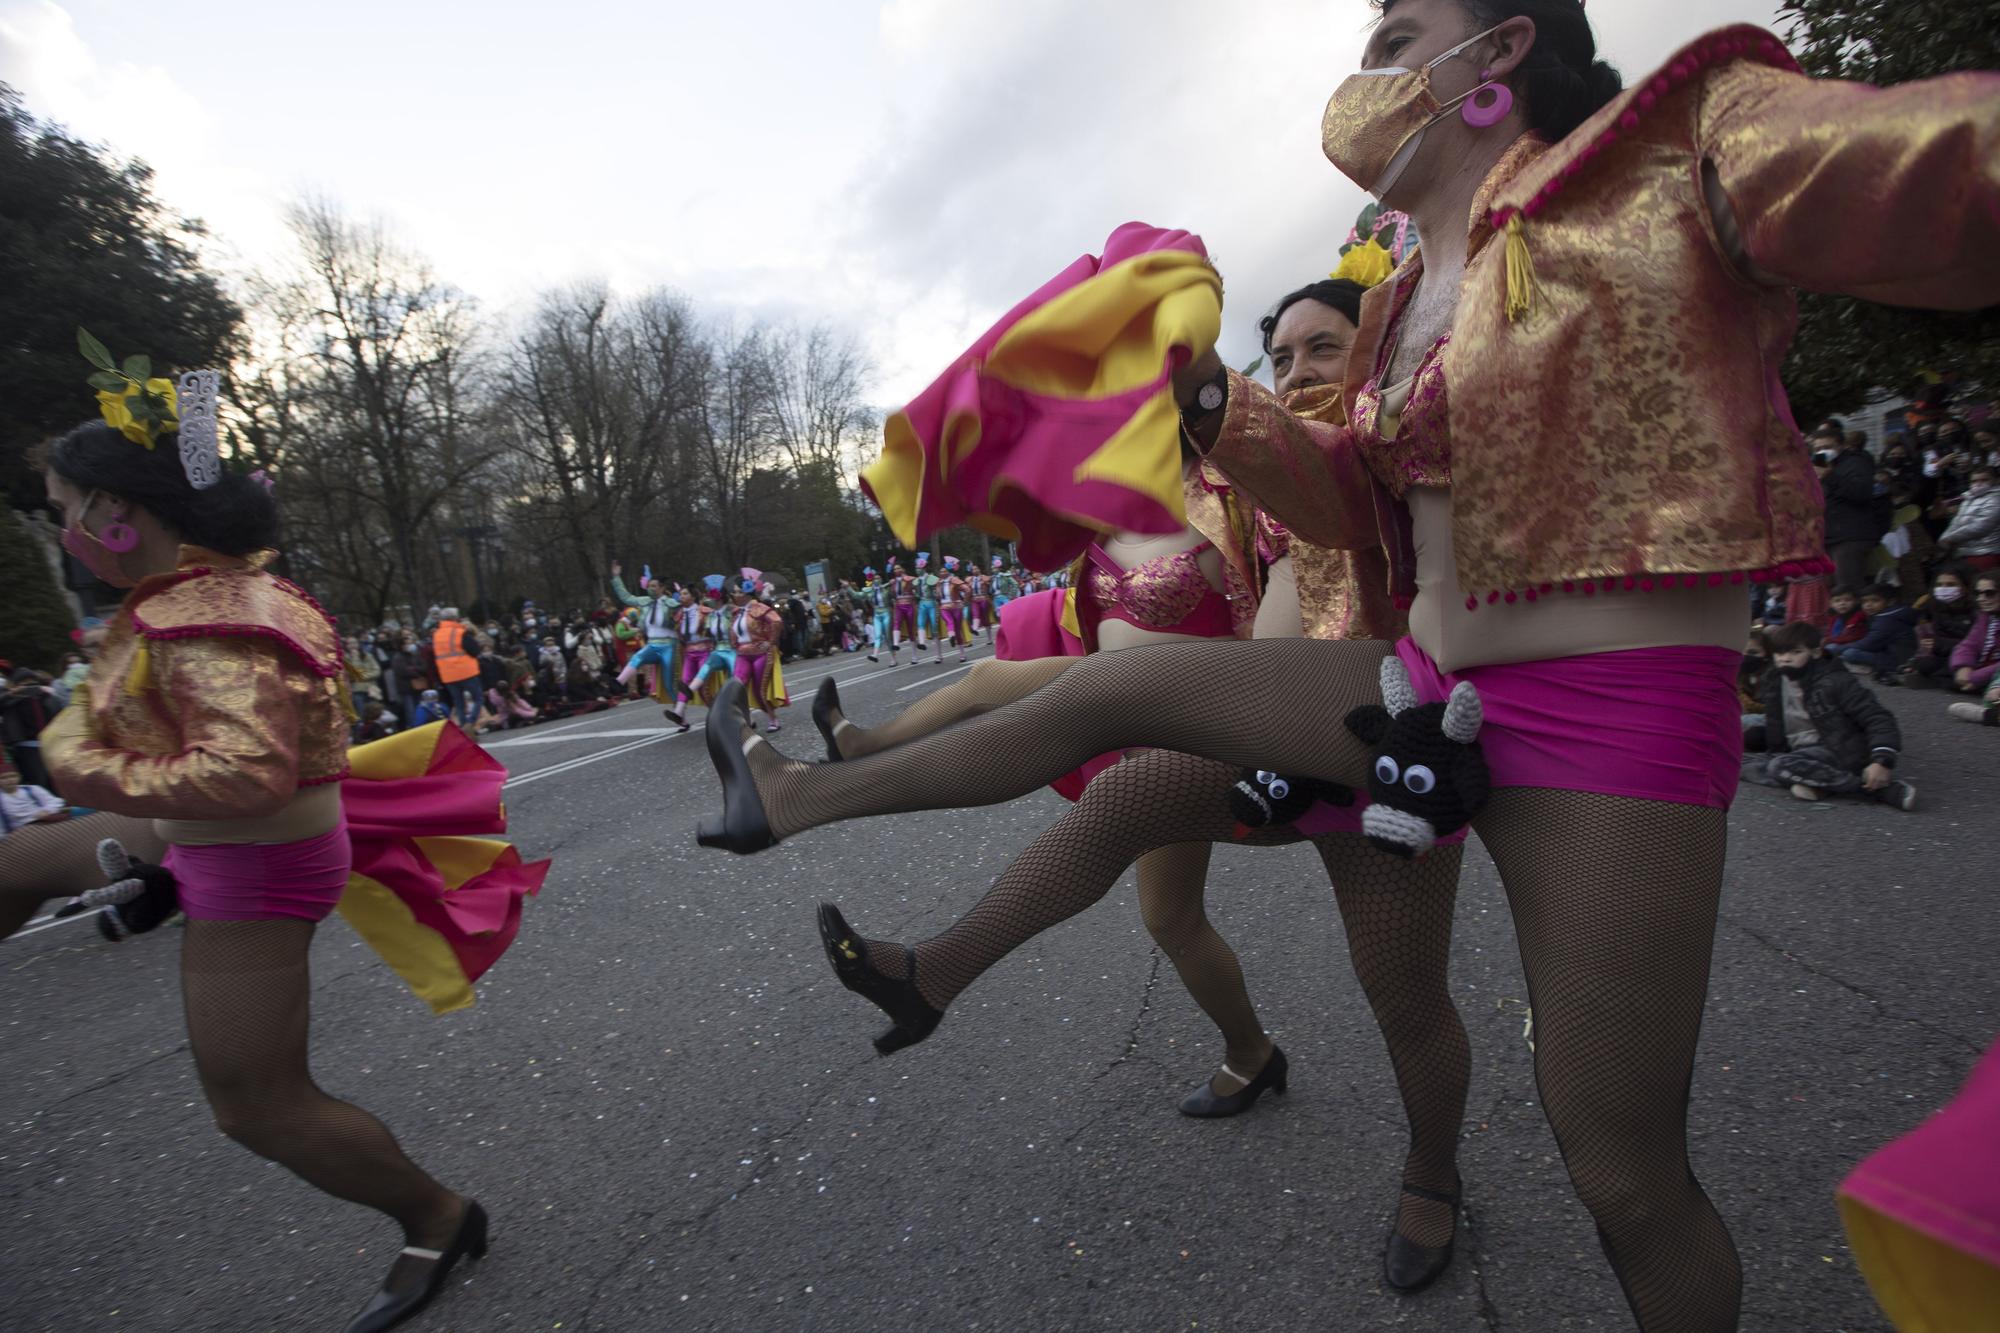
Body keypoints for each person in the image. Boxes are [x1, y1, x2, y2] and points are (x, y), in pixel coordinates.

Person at [697, 7, 2000, 1327]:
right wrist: (1207, 400)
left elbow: (1940, 169)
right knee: (1108, 702)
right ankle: (796, 797)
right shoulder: (1393, 307)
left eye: (1395, 32)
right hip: (1416, 692)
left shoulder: (1671, 154)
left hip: (1616, 723)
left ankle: (1442, 1175)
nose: (1365, 66)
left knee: (1620, 1171)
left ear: (1497, 51)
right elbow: (1338, 509)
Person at [36, 395, 517, 1331]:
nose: (64, 530)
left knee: (256, 1105)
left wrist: (73, 760)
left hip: (249, 865)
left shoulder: (209, 617)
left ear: (111, 508)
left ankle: (439, 1217)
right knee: (21, 860)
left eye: (64, 508)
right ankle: (148, 877)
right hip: (198, 835)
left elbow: (245, 773)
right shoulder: (189, 596)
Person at [1743, 622, 1916, 808]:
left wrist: (1882, 760)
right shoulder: (1775, 679)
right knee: (1731, 762)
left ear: (1816, 653)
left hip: (1838, 750)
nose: (1785, 659)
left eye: (1795, 652)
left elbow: (1878, 717)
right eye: (1779, 653)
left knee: (1779, 766)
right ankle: (1819, 781)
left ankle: (1872, 789)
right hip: (1797, 751)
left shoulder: (1836, 681)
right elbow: (1776, 721)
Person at [1820, 425, 1883, 593]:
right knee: (1833, 590)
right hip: (1829, 535)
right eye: (1818, 448)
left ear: (1841, 445)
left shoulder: (1856, 462)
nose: (1822, 451)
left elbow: (1861, 492)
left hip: (1851, 535)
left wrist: (1830, 477)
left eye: (1827, 447)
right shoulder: (1821, 465)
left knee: (1848, 588)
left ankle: (1856, 619)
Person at [728, 578, 788, 732]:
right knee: (737, 687)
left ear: (747, 593)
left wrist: (770, 642)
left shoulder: (759, 608)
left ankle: (772, 718)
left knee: (759, 689)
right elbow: (733, 632)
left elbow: (776, 622)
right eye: (734, 591)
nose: (735, 594)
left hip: (760, 652)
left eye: (739, 591)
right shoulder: (736, 612)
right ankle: (747, 719)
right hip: (742, 653)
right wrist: (735, 645)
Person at [1835, 584, 1917, 679]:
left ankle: (1871, 667)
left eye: (1875, 600)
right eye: (1864, 601)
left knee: (1849, 653)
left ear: (1890, 602)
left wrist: (1837, 649)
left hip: (1898, 660)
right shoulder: (1884, 615)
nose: (1868, 605)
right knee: (1844, 650)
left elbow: (1868, 644)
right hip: (1888, 653)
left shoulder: (1887, 620)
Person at [1937, 462, 2000, 572]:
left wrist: (1951, 539)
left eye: (1984, 480)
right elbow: (1956, 521)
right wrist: (1944, 538)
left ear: (1996, 480)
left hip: (1986, 553)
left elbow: (1981, 527)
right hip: (1965, 553)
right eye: (1974, 481)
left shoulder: (1996, 499)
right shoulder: (1969, 498)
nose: (1978, 484)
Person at [429, 608, 483, 733]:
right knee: (478, 698)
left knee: (459, 703)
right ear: (455, 618)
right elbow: (474, 650)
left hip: (448, 674)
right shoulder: (460, 632)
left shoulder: (436, 634)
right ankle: (470, 722)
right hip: (466, 671)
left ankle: (464, 728)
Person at [1947, 573, 2000, 697]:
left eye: (1989, 593)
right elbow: (1968, 645)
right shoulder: (1986, 617)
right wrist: (1963, 667)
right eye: (1978, 593)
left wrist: (1976, 677)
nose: (1981, 599)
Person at [0, 759, 67, 836]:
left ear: (19, 777)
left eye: (12, 776)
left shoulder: (32, 789)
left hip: (44, 823)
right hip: (21, 833)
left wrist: (46, 811)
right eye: (3, 778)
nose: (9, 780)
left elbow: (56, 801)